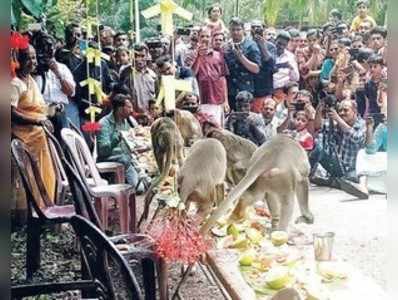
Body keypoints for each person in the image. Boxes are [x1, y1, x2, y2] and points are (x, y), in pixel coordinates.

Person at [11, 44, 56, 204]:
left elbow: (40, 108)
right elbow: (11, 112)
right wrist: (37, 120)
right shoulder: (15, 84)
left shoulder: (30, 80)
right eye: (28, 58)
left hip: (38, 135)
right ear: (19, 60)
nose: (33, 61)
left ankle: (47, 202)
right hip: (25, 136)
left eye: (34, 57)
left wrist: (53, 109)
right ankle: (38, 206)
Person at [312, 98, 367, 199]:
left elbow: (356, 138)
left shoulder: (362, 124)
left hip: (352, 168)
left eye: (346, 110)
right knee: (318, 145)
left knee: (347, 177)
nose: (342, 113)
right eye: (340, 110)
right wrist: (319, 110)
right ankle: (336, 181)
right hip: (337, 165)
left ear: (355, 111)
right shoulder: (335, 123)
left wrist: (338, 119)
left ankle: (335, 181)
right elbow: (318, 127)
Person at [97, 94, 147, 190]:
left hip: (127, 161)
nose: (131, 110)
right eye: (129, 107)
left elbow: (130, 143)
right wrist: (116, 139)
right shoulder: (104, 123)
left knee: (140, 188)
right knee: (125, 160)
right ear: (120, 109)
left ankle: (138, 180)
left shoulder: (126, 122)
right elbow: (103, 151)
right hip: (111, 160)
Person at [31, 31, 77, 134]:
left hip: (60, 113)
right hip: (40, 115)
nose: (49, 52)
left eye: (51, 48)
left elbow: (71, 92)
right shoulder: (32, 71)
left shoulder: (62, 68)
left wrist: (58, 73)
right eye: (44, 48)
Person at [190, 26, 229, 127]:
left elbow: (222, 78)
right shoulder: (191, 54)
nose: (205, 39)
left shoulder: (218, 55)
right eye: (202, 36)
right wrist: (198, 56)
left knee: (218, 129)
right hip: (202, 98)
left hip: (217, 99)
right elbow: (192, 74)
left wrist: (226, 101)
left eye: (207, 36)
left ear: (211, 38)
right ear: (198, 38)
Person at [224, 17, 261, 111]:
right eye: (233, 30)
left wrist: (241, 57)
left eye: (238, 29)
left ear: (243, 30)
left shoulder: (251, 45)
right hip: (230, 91)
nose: (235, 32)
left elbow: (256, 69)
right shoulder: (226, 46)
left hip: (245, 90)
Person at [120, 43, 157, 114]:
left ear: (147, 56)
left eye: (142, 56)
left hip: (149, 116)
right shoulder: (126, 72)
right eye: (136, 56)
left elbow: (156, 97)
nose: (138, 59)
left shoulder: (152, 75)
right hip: (132, 115)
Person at [251, 20, 276, 113]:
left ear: (264, 30)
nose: (256, 29)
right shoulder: (247, 45)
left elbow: (272, 66)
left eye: (258, 27)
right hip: (250, 88)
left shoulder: (271, 46)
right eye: (253, 27)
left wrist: (262, 45)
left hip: (264, 89)